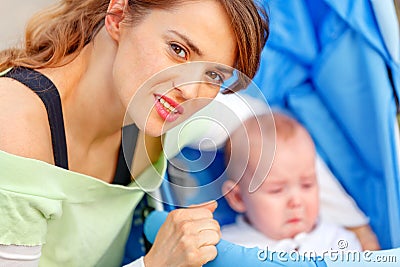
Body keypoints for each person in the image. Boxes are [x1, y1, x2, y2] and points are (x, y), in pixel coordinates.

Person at [0, 0, 269, 266]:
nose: (190, 92)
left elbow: (255, 119)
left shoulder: (157, 112)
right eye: (178, 50)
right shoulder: (16, 126)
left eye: (213, 76)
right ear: (117, 16)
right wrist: (156, 264)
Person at [221, 112, 362, 254]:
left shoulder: (339, 242)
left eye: (307, 185)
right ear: (238, 197)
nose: (296, 201)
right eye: (277, 190)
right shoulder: (226, 249)